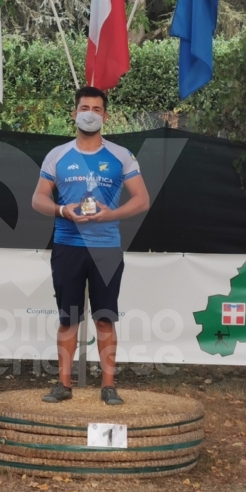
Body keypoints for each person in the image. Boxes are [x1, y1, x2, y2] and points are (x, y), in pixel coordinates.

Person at [30, 86, 150, 405]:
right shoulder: (57, 155)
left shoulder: (121, 156)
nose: (90, 114)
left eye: (97, 109)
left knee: (105, 318)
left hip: (106, 248)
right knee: (69, 318)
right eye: (85, 107)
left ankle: (108, 386)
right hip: (67, 245)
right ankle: (63, 384)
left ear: (105, 116)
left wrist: (112, 214)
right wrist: (61, 210)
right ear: (74, 113)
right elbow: (38, 199)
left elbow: (141, 199)